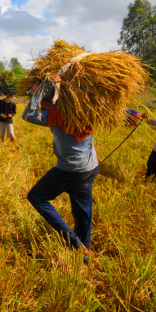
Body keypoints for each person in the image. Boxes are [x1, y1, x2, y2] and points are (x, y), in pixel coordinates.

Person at [23, 79, 98, 263]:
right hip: (90, 167)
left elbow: (28, 115)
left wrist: (40, 90)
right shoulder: (87, 109)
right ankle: (83, 257)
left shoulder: (57, 114)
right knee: (83, 214)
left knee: (36, 197)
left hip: (70, 169)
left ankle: (73, 241)